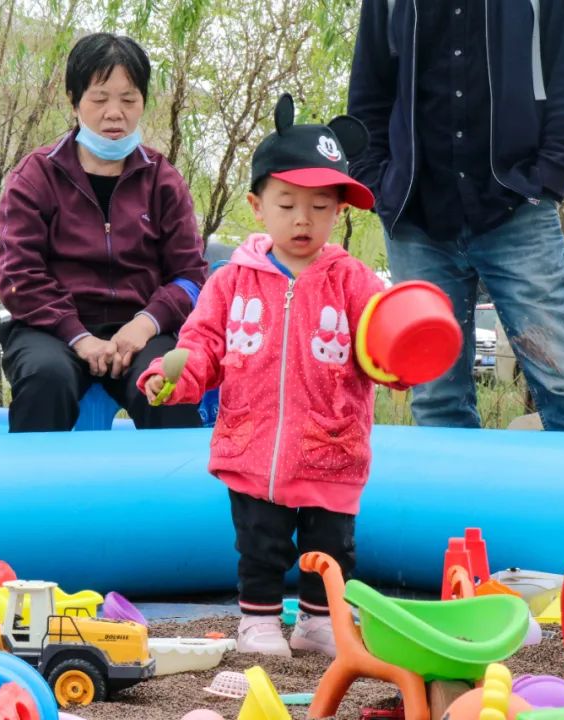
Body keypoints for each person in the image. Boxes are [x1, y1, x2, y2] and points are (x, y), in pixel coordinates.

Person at [139, 95, 394, 657]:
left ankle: (319, 620)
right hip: (254, 447)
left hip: (332, 443)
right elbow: (201, 345)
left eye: (320, 207)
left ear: (338, 212)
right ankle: (257, 622)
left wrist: (403, 358)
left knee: (332, 545)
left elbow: (384, 345)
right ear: (258, 206)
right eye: (287, 203)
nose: (303, 219)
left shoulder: (352, 282)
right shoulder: (231, 281)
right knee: (260, 543)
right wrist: (172, 376)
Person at [347, 0, 564, 432]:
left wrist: (548, 175)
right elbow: (368, 92)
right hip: (417, 219)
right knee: (436, 401)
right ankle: (453, 503)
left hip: (518, 210)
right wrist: (380, 184)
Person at [0, 33, 207, 432]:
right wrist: (78, 336)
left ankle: (175, 491)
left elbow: (190, 277)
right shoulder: (35, 177)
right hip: (51, 330)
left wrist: (145, 324)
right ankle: (31, 491)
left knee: (168, 387)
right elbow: (17, 278)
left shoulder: (163, 180)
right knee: (46, 378)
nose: (115, 113)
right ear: (73, 101)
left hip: (141, 327)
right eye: (99, 98)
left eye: (129, 100)